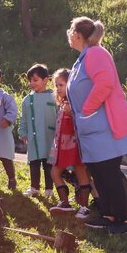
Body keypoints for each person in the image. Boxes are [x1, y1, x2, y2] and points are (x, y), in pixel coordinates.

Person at [66, 17, 127, 235]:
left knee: (110, 172)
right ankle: (108, 215)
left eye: (70, 30)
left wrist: (87, 110)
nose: (68, 34)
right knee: (99, 172)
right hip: (92, 129)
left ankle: (124, 220)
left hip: (104, 126)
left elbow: (105, 83)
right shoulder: (83, 58)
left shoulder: (96, 53)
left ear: (78, 34)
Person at [48, 68, 94, 217]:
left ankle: (84, 207)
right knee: (55, 172)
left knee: (81, 173)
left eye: (61, 85)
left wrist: (72, 113)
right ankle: (64, 202)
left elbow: (82, 121)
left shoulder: (75, 104)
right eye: (56, 85)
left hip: (75, 146)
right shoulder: (63, 104)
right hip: (62, 146)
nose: (58, 88)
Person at [18, 64, 58, 199]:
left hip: (50, 137)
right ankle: (34, 188)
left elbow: (60, 116)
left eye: (35, 80)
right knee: (34, 162)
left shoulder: (54, 97)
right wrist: (23, 133)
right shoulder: (27, 100)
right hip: (33, 138)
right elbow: (23, 119)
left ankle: (49, 189)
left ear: (46, 80)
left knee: (48, 164)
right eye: (30, 80)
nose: (32, 83)